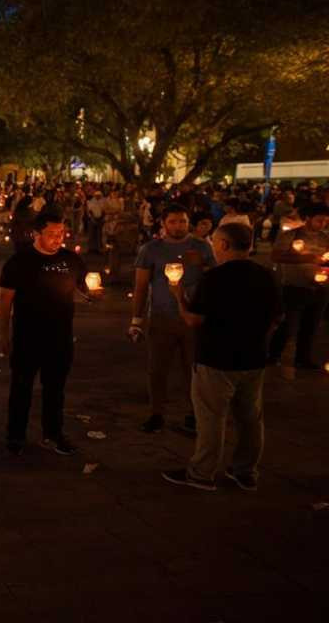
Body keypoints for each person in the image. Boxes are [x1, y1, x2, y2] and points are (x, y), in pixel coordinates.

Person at [162, 222, 280, 492]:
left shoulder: (215, 279)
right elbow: (276, 318)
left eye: (215, 241)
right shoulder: (266, 275)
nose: (213, 246)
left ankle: (202, 473)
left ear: (224, 245)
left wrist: (179, 297)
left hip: (216, 359)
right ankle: (245, 471)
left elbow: (193, 320)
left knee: (211, 419)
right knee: (250, 418)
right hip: (254, 358)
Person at [0, 210, 87, 456]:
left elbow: (84, 288)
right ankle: (15, 435)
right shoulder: (19, 262)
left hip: (60, 337)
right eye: (51, 234)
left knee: (55, 389)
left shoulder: (72, 260)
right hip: (28, 336)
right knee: (21, 388)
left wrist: (91, 294)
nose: (58, 239)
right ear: (36, 234)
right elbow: (5, 301)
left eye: (61, 233)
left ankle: (53, 433)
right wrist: (3, 334)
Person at [129, 205, 215, 434]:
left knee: (194, 370)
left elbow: (213, 281)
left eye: (183, 221)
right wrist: (136, 320)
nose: (179, 226)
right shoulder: (151, 250)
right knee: (157, 369)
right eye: (174, 222)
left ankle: (194, 413)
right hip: (161, 317)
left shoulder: (202, 247)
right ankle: (156, 413)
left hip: (193, 318)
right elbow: (140, 287)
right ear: (163, 224)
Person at [268, 204, 329, 371]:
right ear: (307, 218)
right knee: (288, 325)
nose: (323, 224)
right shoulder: (291, 235)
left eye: (326, 221)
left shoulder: (325, 238)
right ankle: (272, 355)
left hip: (319, 287)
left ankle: (303, 359)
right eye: (319, 220)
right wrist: (307, 258)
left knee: (311, 326)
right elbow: (276, 255)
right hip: (294, 286)